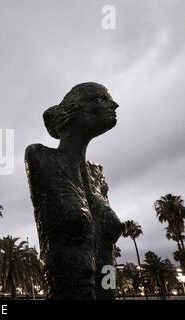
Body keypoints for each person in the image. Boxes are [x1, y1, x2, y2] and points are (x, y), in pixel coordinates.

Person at [25, 82, 123, 299]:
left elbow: (107, 253)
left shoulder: (97, 174)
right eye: (100, 99)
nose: (114, 105)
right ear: (74, 111)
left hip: (107, 288)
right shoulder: (42, 158)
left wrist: (110, 290)